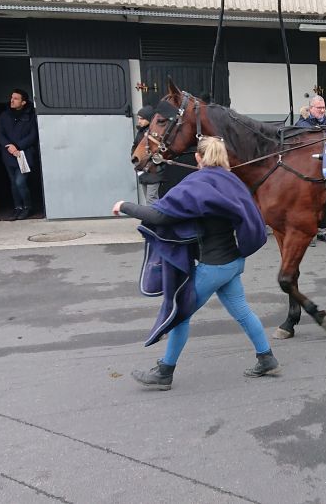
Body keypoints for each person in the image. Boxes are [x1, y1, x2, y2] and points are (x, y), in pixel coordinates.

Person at [113, 136, 277, 388]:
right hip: (233, 261)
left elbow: (160, 215)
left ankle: (164, 372)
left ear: (198, 157)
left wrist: (125, 206)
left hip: (214, 267)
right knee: (243, 311)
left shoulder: (199, 183)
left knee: (180, 313)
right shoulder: (231, 180)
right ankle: (266, 358)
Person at [296, 95, 326, 245]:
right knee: (308, 202)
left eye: (323, 107)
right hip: (307, 170)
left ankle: (322, 231)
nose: (322, 110)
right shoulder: (301, 125)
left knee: (325, 200)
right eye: (319, 108)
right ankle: (309, 233)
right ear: (310, 108)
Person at [0, 89, 40, 220]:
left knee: (20, 182)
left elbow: (33, 135)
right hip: (8, 154)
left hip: (24, 154)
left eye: (15, 98)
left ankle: (28, 207)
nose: (12, 100)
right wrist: (9, 146)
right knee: (13, 183)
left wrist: (18, 146)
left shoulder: (31, 116)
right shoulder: (4, 115)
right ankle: (18, 207)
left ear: (23, 102)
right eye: (11, 97)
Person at [131, 105, 163, 205]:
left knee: (151, 199)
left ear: (149, 118)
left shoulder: (156, 132)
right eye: (138, 118)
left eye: (142, 118)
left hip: (153, 170)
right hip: (142, 169)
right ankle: (152, 218)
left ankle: (153, 219)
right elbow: (135, 146)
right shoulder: (141, 132)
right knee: (148, 198)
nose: (139, 121)